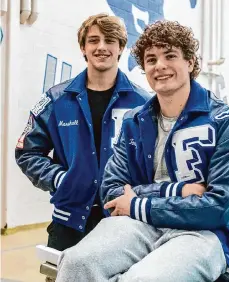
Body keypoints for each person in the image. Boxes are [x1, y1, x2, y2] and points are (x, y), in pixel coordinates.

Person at [56, 20, 229, 282]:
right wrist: (176, 191)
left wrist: (136, 200)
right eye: (151, 59)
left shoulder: (228, 123)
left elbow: (216, 208)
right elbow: (112, 192)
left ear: (191, 63)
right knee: (75, 263)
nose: (159, 65)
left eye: (170, 55)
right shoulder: (134, 122)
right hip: (140, 224)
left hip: (205, 233)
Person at [15, 12, 150, 277]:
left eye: (110, 40)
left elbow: (154, 162)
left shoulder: (143, 103)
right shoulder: (56, 99)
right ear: (83, 48)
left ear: (121, 47)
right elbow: (27, 151)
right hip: (69, 220)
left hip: (123, 222)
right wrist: (60, 179)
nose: (101, 47)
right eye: (94, 40)